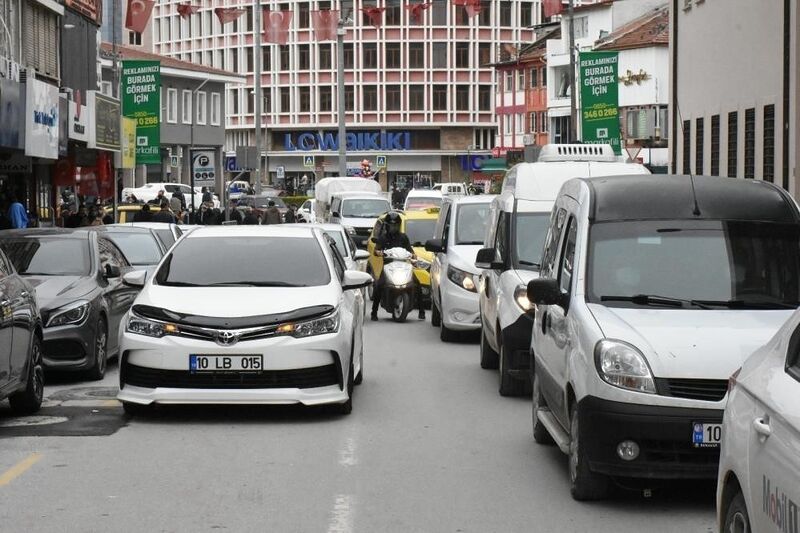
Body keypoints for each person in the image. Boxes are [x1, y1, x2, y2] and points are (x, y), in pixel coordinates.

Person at [370, 211, 425, 321]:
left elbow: (410, 250)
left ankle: (421, 311)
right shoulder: (383, 238)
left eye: (395, 225)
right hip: (388, 266)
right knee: (379, 285)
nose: (393, 228)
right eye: (391, 225)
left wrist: (413, 255)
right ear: (387, 226)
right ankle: (374, 312)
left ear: (399, 226)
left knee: (417, 284)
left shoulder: (403, 238)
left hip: (403, 266)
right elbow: (376, 250)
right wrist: (379, 252)